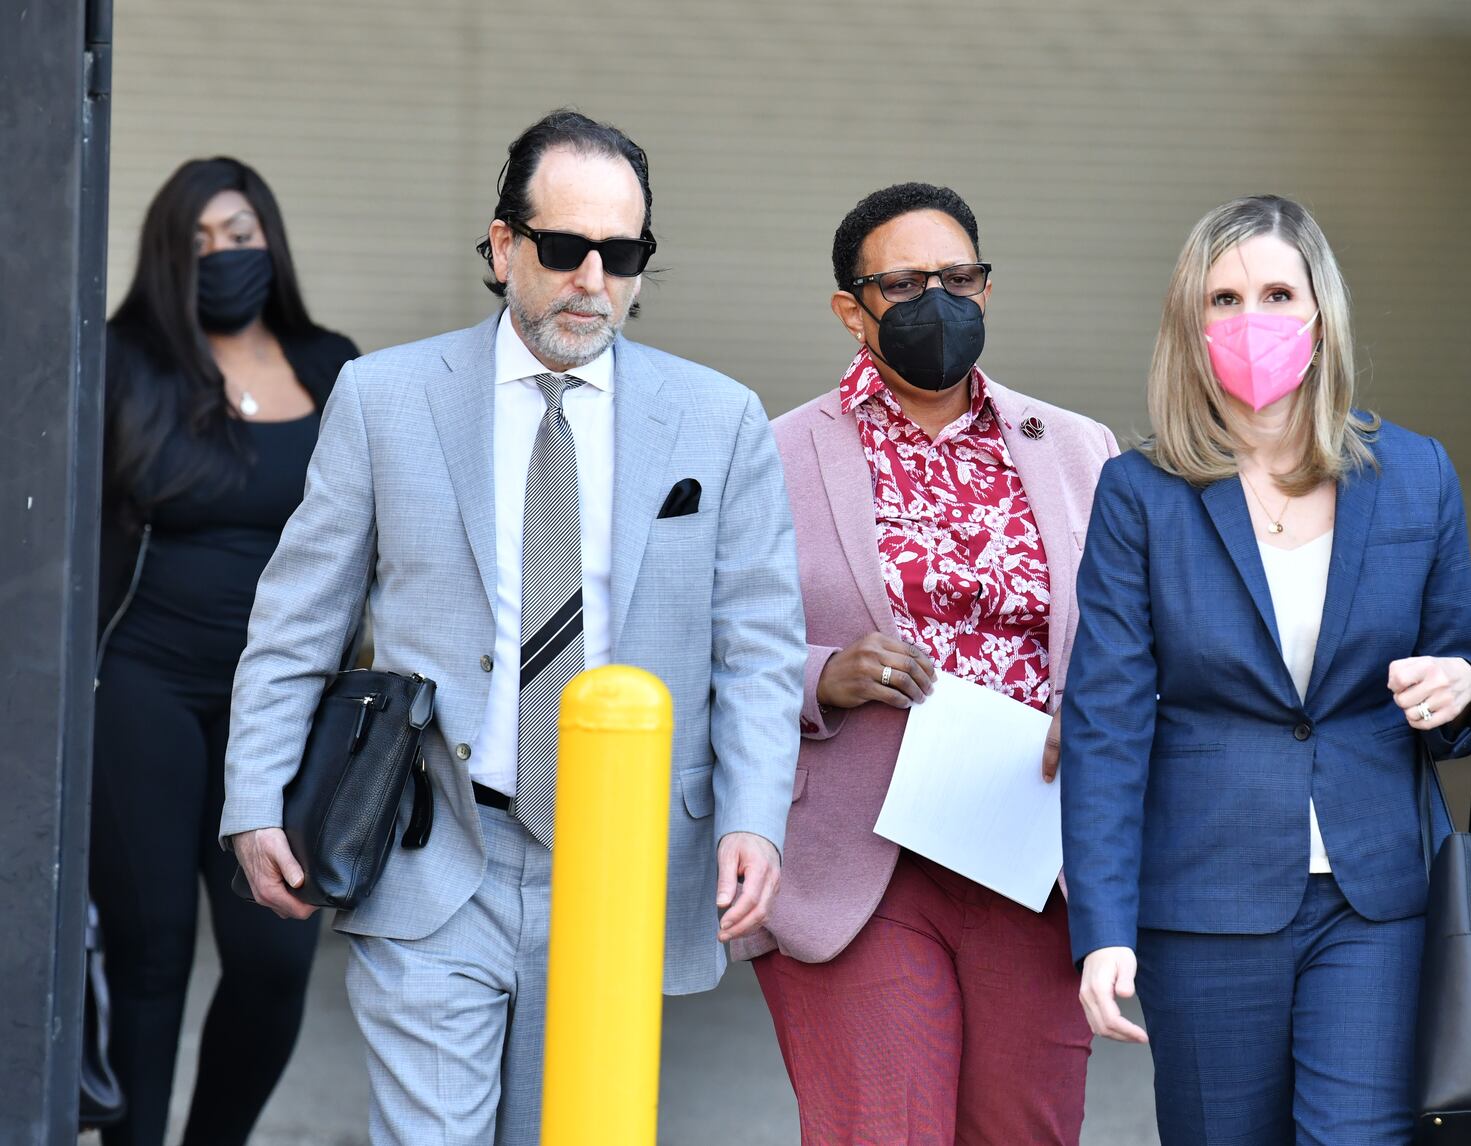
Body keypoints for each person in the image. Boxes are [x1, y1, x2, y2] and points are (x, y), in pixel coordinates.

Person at [222, 109, 805, 1145]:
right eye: (564, 247)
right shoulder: (384, 397)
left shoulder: (718, 419)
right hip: (435, 839)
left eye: (621, 253)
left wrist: (755, 814)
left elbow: (756, 646)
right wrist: (254, 797)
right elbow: (298, 616)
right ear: (503, 247)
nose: (592, 277)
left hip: (622, 860)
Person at [1060, 194, 1471, 1144]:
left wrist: (1461, 692)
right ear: (1190, 323)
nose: (1250, 319)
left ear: (1321, 312)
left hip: (1376, 896)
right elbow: (1106, 723)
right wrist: (1103, 926)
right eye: (1223, 299)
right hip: (1204, 900)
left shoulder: (1418, 475)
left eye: (1276, 292)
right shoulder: (1141, 494)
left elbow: (1463, 670)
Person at [733, 183, 1117, 1144]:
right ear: (850, 309)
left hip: (1034, 854)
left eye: (959, 278)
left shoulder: (1078, 451)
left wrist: (1102, 710)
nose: (936, 303)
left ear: (987, 292)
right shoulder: (771, 455)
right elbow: (710, 642)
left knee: (1024, 1131)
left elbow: (1131, 638)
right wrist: (822, 672)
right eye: (902, 284)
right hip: (860, 862)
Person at [91, 156, 358, 1146]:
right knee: (149, 952)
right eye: (197, 241)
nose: (221, 257)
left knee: (273, 956)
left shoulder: (333, 367)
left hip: (288, 703)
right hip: (142, 685)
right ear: (165, 255)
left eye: (238, 235)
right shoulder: (121, 364)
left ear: (270, 242)